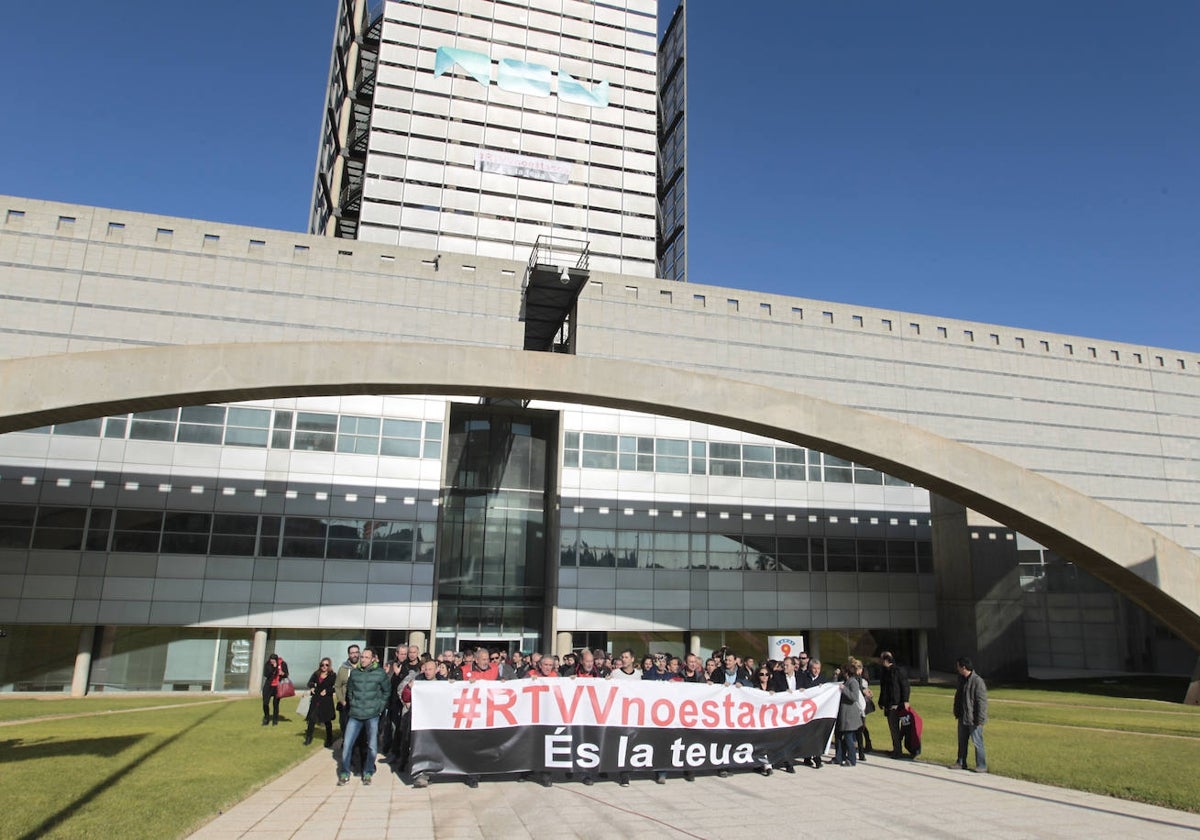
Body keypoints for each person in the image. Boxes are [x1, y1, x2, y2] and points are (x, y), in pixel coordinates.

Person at [338, 647, 390, 786]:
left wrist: (379, 708)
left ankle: (368, 772)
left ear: (373, 659)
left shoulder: (380, 674)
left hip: (372, 715)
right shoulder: (354, 673)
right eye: (362, 657)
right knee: (348, 744)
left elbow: (386, 692)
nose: (363, 659)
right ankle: (344, 772)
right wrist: (353, 702)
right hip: (355, 714)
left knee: (372, 746)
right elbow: (350, 690)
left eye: (367, 657)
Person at [952, 657, 988, 773]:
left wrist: (980, 720)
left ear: (963, 667)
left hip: (974, 719)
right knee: (962, 741)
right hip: (962, 716)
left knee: (977, 742)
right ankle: (961, 762)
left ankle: (981, 765)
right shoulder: (961, 679)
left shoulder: (977, 681)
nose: (957, 668)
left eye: (958, 666)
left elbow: (981, 702)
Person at [878, 651, 912, 758]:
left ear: (886, 660)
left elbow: (905, 686)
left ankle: (899, 750)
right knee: (894, 729)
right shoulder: (885, 672)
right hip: (889, 704)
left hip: (897, 704)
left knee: (899, 729)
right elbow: (883, 689)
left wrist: (905, 701)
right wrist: (881, 701)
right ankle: (897, 749)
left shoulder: (898, 671)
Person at [834, 661, 864, 766]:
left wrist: (844, 689)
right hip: (845, 716)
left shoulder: (853, 682)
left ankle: (852, 760)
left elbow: (854, 697)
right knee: (844, 739)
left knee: (849, 739)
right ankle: (841, 757)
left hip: (850, 717)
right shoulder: (846, 682)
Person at [304, 657, 336, 747]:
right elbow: (310, 682)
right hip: (316, 699)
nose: (324, 666)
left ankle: (329, 739)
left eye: (326, 665)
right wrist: (312, 687)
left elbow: (335, 687)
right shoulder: (316, 674)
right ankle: (308, 738)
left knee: (327, 721)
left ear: (329, 665)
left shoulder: (332, 675)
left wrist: (327, 691)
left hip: (326, 701)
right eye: (322, 665)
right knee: (312, 719)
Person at [261, 653, 289, 726]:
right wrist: (273, 668)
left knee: (275, 704)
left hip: (278, 686)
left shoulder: (283, 664)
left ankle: (275, 720)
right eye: (271, 660)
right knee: (265, 703)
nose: (272, 662)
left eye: (273, 661)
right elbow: (266, 674)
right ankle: (266, 718)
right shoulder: (268, 664)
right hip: (269, 686)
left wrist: (282, 673)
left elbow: (286, 674)